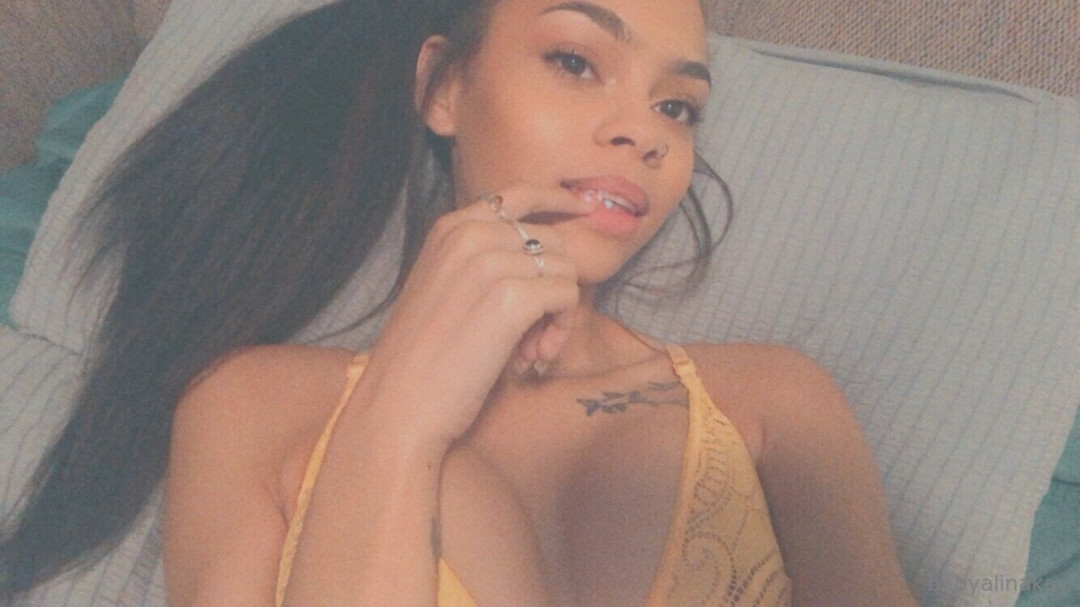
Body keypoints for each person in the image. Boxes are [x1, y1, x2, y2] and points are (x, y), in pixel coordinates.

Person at [0, 0, 920, 605]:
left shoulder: (773, 403)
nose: (643, 132)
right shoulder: (247, 404)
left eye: (677, 107)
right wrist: (398, 413)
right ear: (443, 88)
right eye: (576, 60)